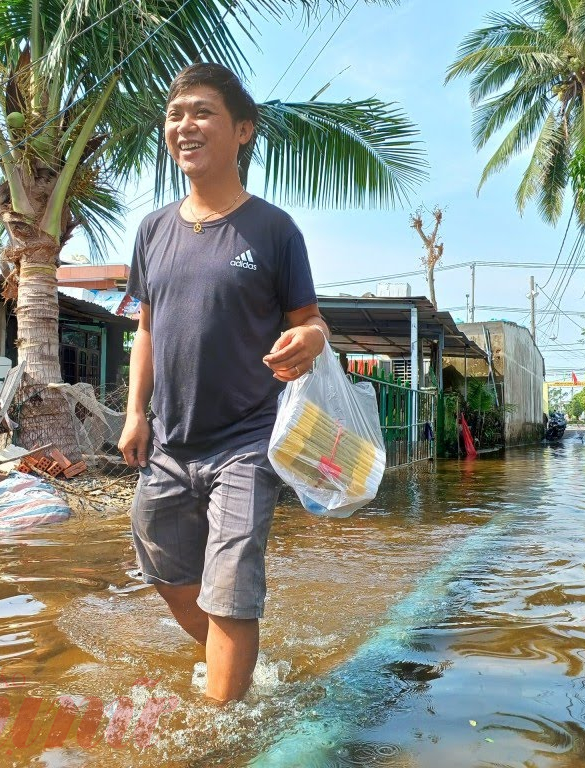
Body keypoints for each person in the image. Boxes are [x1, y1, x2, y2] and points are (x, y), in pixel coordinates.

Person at [117, 63, 330, 703]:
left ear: (242, 131)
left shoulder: (273, 229)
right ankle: (234, 665)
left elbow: (310, 321)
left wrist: (312, 339)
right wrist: (135, 413)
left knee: (232, 584)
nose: (185, 125)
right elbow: (147, 331)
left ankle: (222, 730)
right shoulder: (153, 230)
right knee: (164, 568)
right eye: (176, 113)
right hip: (170, 443)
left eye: (202, 112)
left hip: (248, 437)